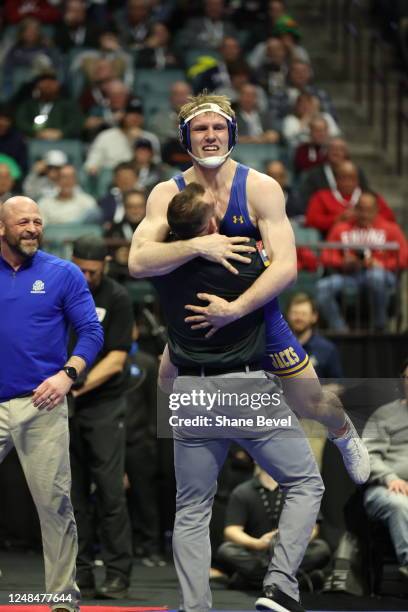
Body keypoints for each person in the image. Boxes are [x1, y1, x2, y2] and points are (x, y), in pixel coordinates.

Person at [128, 90, 369, 487]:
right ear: (186, 138)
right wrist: (198, 244)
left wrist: (236, 308)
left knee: (310, 401)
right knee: (168, 386)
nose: (210, 135)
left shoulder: (260, 187)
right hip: (196, 316)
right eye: (201, 128)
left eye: (218, 127)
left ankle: (341, 429)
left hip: (256, 313)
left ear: (232, 133)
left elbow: (287, 268)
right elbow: (137, 262)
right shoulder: (165, 193)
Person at [149, 181, 325, 612]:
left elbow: (138, 259)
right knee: (305, 483)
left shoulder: (162, 269)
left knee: (191, 507)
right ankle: (280, 585)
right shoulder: (244, 258)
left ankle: (195, 608)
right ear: (211, 225)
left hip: (189, 391)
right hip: (244, 388)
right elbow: (284, 267)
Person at [0, 196, 104, 612]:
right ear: (2, 227)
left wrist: (68, 374)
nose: (32, 228)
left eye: (38, 222)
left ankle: (62, 599)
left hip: (40, 403)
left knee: (56, 504)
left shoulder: (63, 273)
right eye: (23, 221)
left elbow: (91, 332)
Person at [69, 236, 134, 599]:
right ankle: (80, 573)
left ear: (105, 265)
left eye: (92, 271)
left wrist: (75, 386)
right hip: (63, 405)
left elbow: (117, 359)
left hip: (103, 404)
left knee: (110, 493)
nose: (86, 276)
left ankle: (117, 573)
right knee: (72, 495)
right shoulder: (63, 290)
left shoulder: (117, 297)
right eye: (80, 269)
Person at [217, 465, 331, 590]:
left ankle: (253, 581)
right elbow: (231, 530)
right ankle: (292, 581)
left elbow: (313, 528)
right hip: (257, 554)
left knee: (321, 549)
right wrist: (257, 543)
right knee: (226, 550)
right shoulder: (242, 491)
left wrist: (289, 541)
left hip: (291, 553)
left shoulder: (299, 489)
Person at [317, 191, 408, 331]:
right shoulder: (342, 228)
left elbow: (404, 258)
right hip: (350, 276)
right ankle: (340, 329)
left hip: (381, 275)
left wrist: (381, 265)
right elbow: (326, 255)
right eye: (360, 209)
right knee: (323, 287)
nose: (364, 214)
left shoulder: (391, 228)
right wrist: (344, 262)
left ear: (377, 209)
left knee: (375, 276)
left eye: (369, 210)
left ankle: (380, 327)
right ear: (355, 209)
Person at [363, 357, 408, 582]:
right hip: (386, 489)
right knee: (400, 503)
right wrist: (390, 477)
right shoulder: (384, 415)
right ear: (403, 381)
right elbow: (366, 456)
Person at [285, 293, 343, 379]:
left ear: (314, 317)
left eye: (303, 314)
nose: (299, 318)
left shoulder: (327, 349)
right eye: (295, 313)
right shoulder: (277, 348)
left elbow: (339, 385)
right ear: (288, 315)